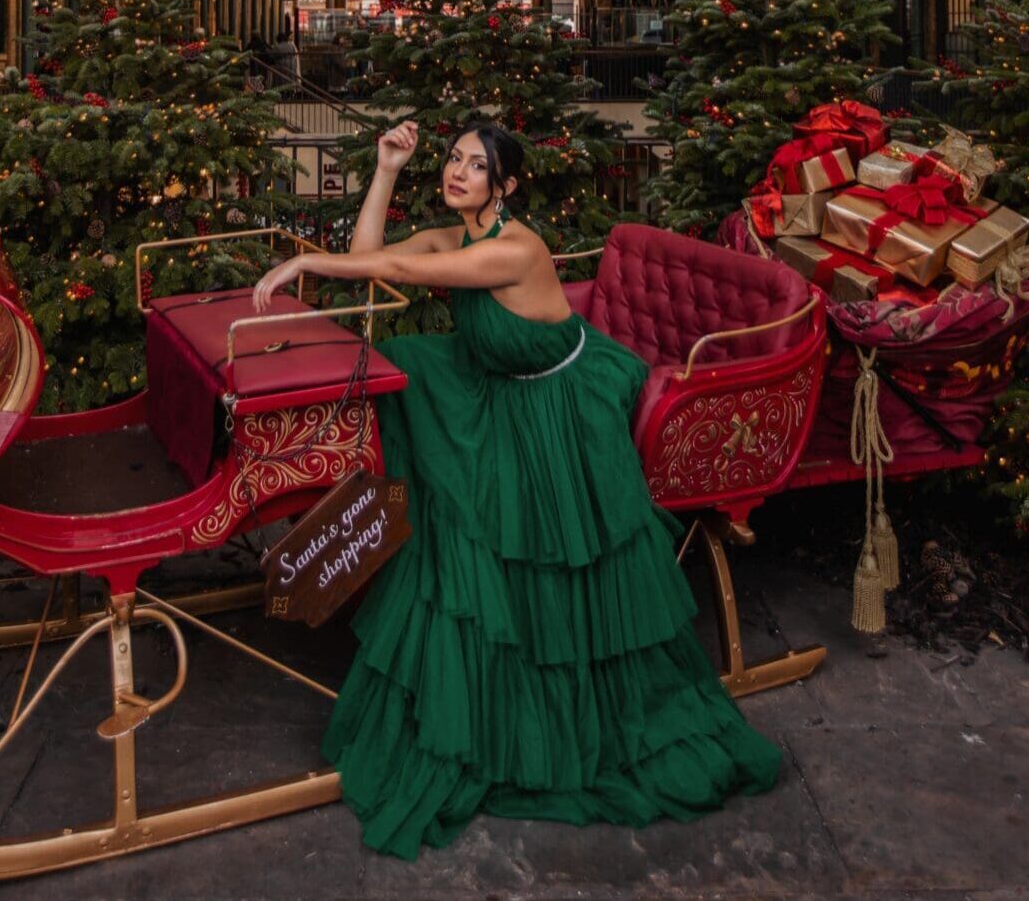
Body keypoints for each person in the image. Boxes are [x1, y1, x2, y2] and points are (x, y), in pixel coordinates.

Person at [251, 118, 783, 860]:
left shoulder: (514, 249)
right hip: (490, 378)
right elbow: (374, 258)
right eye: (454, 159)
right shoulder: (459, 234)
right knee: (396, 374)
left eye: (476, 166)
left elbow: (398, 276)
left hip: (554, 407)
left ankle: (519, 660)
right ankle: (355, 543)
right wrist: (386, 169)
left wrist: (299, 262)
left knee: (495, 517)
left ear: (505, 186)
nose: (458, 173)